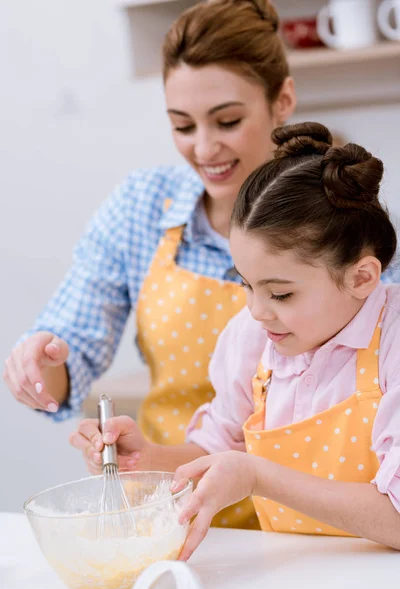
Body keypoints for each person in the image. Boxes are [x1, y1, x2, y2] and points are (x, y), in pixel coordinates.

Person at [3, 0, 297, 529]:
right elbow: (68, 359)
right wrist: (39, 363)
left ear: (283, 101)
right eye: (182, 126)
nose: (205, 148)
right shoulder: (143, 208)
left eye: (227, 121)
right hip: (166, 507)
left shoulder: (333, 222)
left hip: (299, 520)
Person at [70, 122, 400, 561]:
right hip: (291, 577)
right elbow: (217, 449)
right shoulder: (252, 337)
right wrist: (145, 459)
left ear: (362, 277)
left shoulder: (391, 338)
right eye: (245, 284)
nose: (257, 310)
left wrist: (258, 477)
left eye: (281, 293)